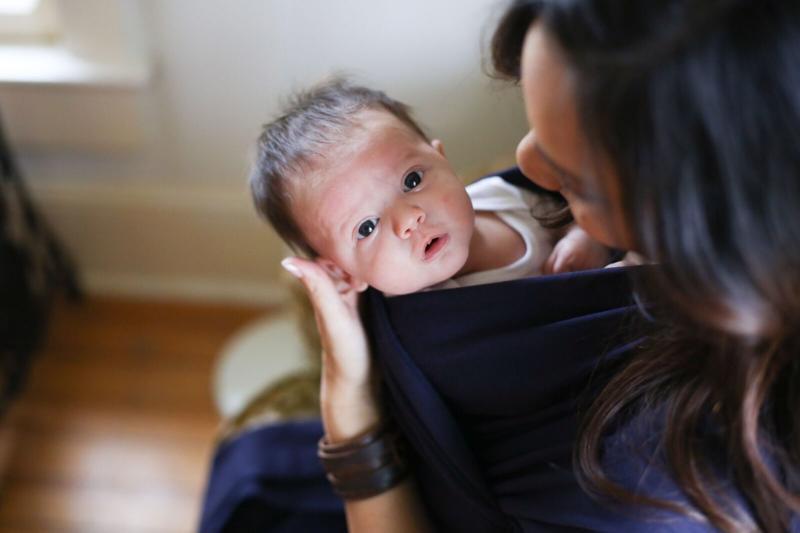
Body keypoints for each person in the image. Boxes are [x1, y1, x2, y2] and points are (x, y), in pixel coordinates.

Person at [278, 1, 800, 532]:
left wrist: (352, 434)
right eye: (366, 227)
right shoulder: (413, 319)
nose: (524, 163)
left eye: (574, 176)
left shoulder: (649, 482)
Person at [250, 79, 612, 297]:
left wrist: (586, 235)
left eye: (412, 180)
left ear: (443, 159)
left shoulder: (507, 195)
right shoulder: (436, 323)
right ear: (343, 272)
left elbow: (589, 199)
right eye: (366, 227)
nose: (410, 218)